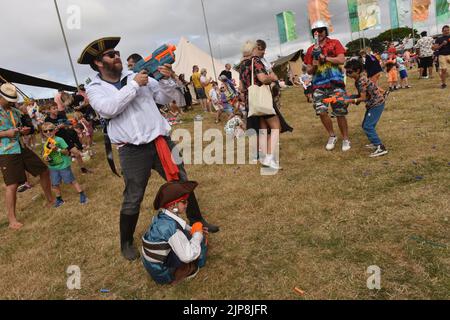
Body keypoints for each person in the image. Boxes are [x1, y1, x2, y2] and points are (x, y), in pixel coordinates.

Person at [77, 37, 219, 260]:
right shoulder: (95, 88)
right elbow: (108, 109)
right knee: (134, 195)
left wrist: (167, 78)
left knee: (181, 184)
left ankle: (198, 222)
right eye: (111, 55)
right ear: (98, 63)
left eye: (117, 52)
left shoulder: (137, 76)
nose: (117, 57)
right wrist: (135, 85)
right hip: (132, 151)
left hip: (160, 141)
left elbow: (168, 99)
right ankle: (125, 241)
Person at [0, 83, 54, 230]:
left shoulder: (15, 111)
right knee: (12, 185)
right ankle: (12, 220)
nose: (12, 102)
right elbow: (6, 132)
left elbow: (23, 126)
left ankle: (50, 199)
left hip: (22, 147)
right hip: (6, 152)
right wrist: (5, 133)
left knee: (44, 170)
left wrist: (24, 130)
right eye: (9, 99)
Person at [239, 40, 292, 170]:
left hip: (251, 102)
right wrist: (273, 78)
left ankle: (266, 157)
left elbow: (240, 87)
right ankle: (269, 157)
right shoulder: (255, 61)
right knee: (275, 127)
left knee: (263, 129)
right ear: (253, 50)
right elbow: (263, 78)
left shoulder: (242, 65)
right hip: (262, 100)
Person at [142, 181, 208, 285]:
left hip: (152, 263)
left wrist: (192, 229)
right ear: (173, 205)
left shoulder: (164, 215)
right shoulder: (172, 229)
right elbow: (187, 256)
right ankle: (182, 272)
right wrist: (197, 235)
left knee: (189, 237)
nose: (187, 204)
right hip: (163, 272)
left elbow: (181, 225)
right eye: (184, 201)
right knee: (198, 243)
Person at [303, 20, 350, 152]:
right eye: (315, 32)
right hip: (318, 85)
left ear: (325, 31)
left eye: (321, 31)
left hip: (336, 83)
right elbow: (309, 71)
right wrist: (315, 61)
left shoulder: (335, 43)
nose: (318, 34)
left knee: (340, 111)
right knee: (321, 111)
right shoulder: (310, 49)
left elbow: (341, 60)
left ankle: (345, 138)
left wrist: (325, 58)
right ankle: (332, 136)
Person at [344, 59, 388, 157]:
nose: (348, 74)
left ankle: (380, 147)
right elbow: (364, 95)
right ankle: (374, 142)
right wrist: (351, 97)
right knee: (366, 124)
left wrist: (349, 101)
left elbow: (363, 98)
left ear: (358, 71)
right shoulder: (360, 78)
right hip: (372, 103)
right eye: (347, 72)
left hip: (376, 104)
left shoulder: (361, 81)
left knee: (368, 126)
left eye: (350, 72)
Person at [41, 122, 88, 207]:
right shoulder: (46, 143)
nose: (48, 132)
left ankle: (82, 194)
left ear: (55, 130)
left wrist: (57, 149)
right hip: (53, 166)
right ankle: (59, 199)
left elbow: (66, 152)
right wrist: (46, 158)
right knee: (55, 184)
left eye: (50, 130)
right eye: (45, 131)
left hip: (63, 165)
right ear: (43, 133)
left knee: (71, 180)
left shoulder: (59, 140)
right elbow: (46, 154)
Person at [44, 104, 90, 174]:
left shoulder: (61, 115)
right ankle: (62, 173)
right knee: (61, 158)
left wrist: (64, 125)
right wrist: (55, 129)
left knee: (77, 153)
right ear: (49, 110)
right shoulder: (47, 119)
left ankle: (83, 169)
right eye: (53, 108)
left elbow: (69, 124)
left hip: (65, 138)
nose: (56, 109)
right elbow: (47, 130)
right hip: (56, 141)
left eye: (56, 108)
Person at [432, 25, 450, 89]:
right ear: (442, 31)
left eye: (448, 30)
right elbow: (434, 48)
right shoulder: (439, 39)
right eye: (445, 30)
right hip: (442, 55)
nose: (447, 32)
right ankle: (443, 84)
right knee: (444, 70)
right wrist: (442, 44)